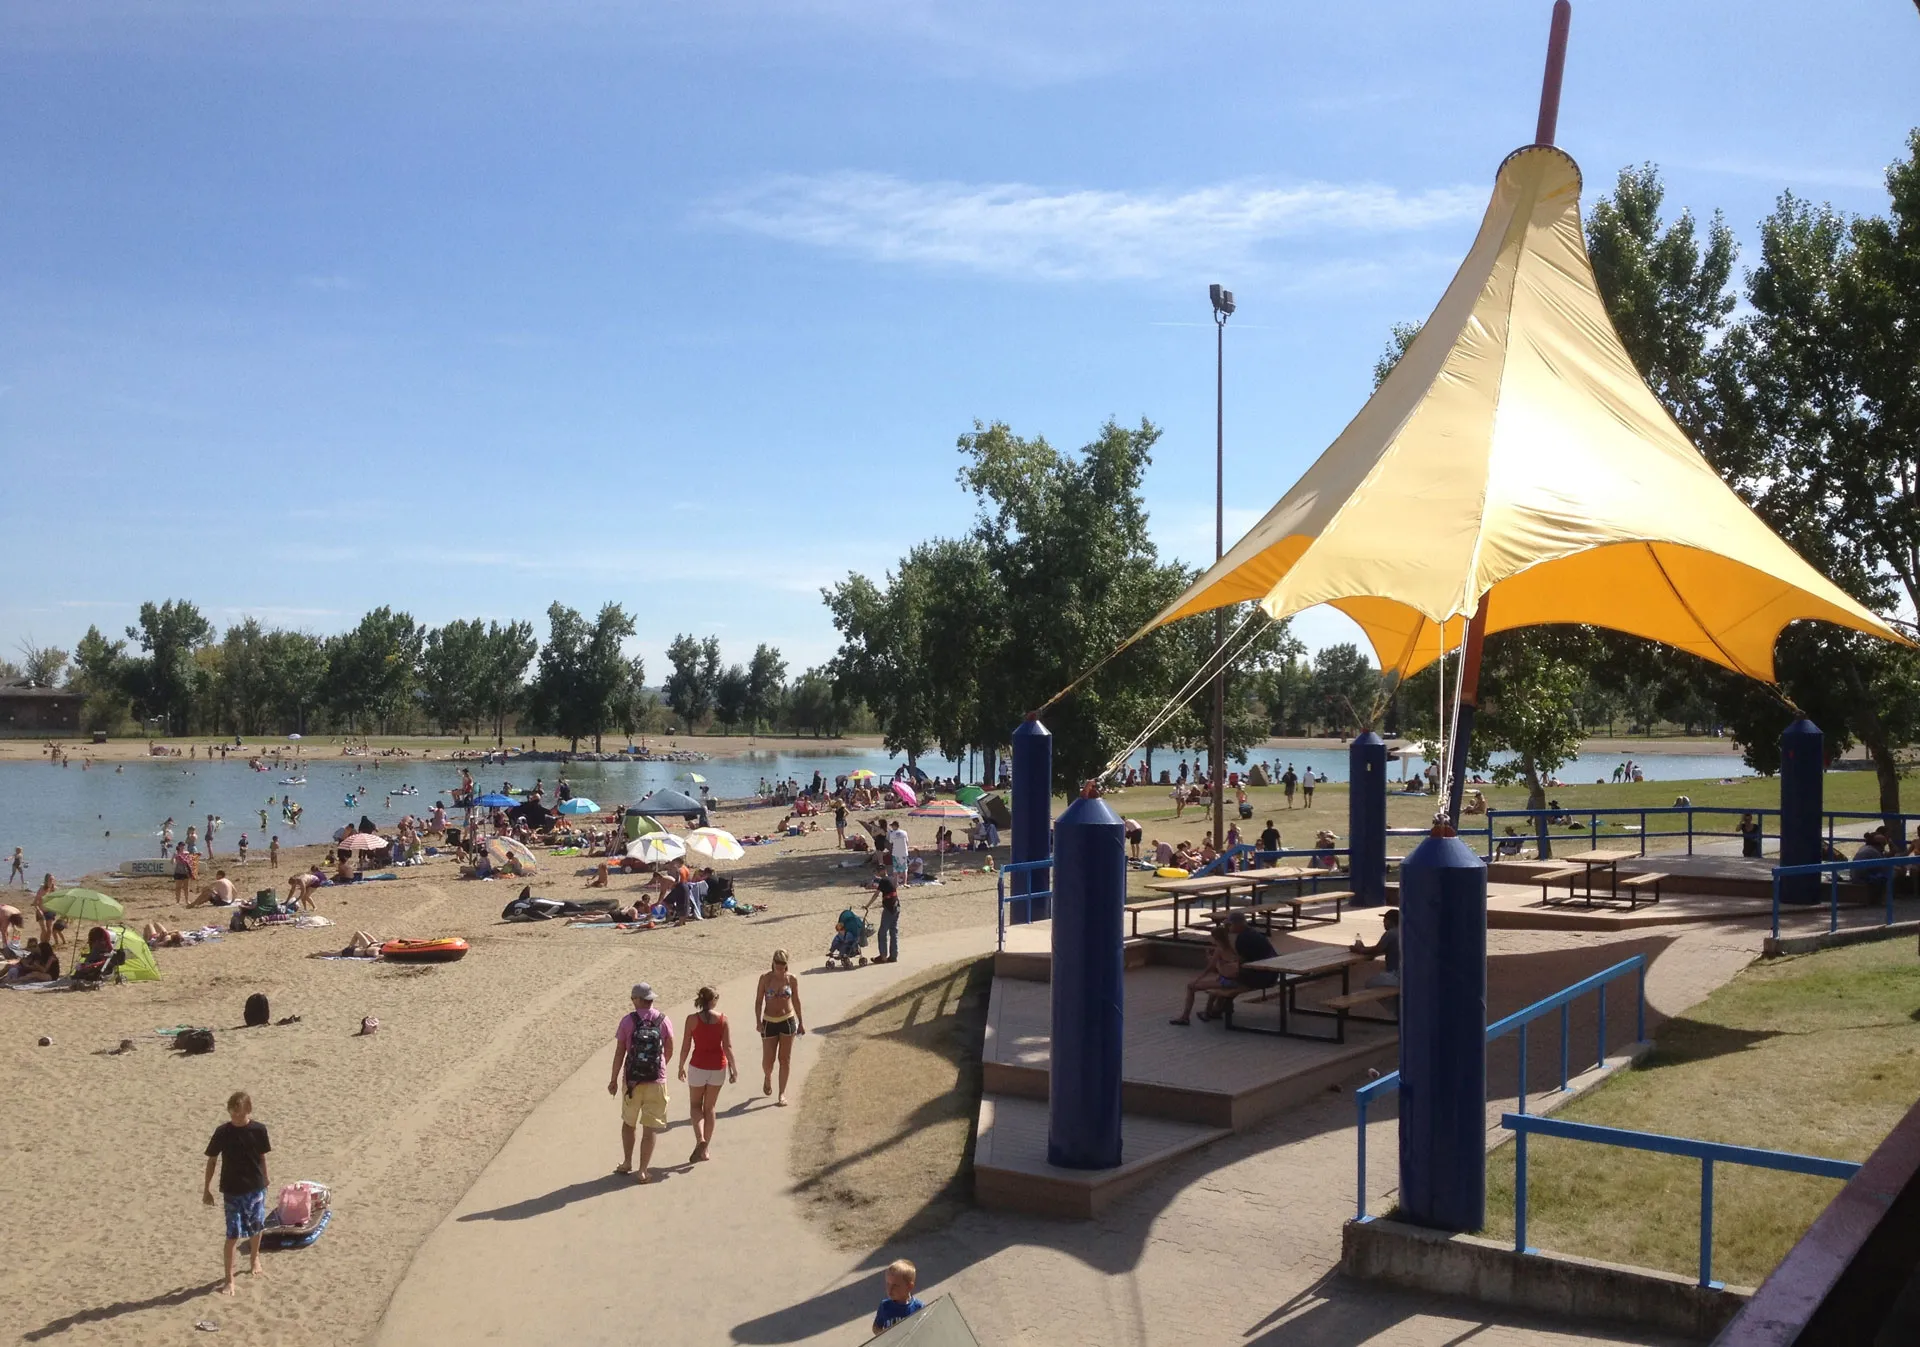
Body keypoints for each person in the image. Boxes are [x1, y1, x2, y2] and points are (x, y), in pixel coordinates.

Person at [202, 1090, 271, 1296]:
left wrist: (266, 1178)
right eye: (232, 1114)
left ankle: (254, 1257)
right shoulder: (222, 1132)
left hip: (255, 1187)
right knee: (232, 1235)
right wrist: (207, 1189)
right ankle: (229, 1280)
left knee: (256, 1226)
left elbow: (262, 1157)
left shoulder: (259, 1130)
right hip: (232, 1189)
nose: (236, 1118)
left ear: (248, 1110)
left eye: (239, 1114)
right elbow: (212, 1160)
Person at [609, 982, 674, 1183]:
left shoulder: (628, 1021)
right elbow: (670, 1048)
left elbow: (620, 1052)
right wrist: (659, 1066)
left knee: (629, 1123)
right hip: (657, 1080)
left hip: (632, 1081)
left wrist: (613, 1079)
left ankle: (627, 1162)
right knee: (650, 1128)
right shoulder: (663, 1020)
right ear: (651, 999)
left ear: (637, 1000)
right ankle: (643, 1171)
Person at [676, 985, 737, 1163]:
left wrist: (680, 1066)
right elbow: (727, 1047)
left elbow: (686, 1045)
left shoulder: (691, 1020)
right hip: (717, 1067)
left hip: (698, 1066)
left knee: (695, 1106)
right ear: (713, 1000)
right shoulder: (723, 1020)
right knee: (709, 1108)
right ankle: (706, 1149)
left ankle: (700, 1139)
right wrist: (734, 1068)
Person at [755, 949, 805, 1105]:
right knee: (768, 1061)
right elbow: (758, 1001)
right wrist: (758, 1021)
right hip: (769, 1021)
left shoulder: (791, 979)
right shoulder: (765, 979)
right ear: (773, 962)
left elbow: (796, 1000)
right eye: (778, 963)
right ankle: (767, 1076)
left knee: (785, 1059)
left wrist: (801, 1021)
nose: (780, 966)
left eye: (783, 964)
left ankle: (782, 1093)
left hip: (787, 1020)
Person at [1170, 927, 1241, 1026]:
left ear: (1216, 938)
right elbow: (1223, 967)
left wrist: (1198, 979)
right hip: (1235, 979)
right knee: (1213, 986)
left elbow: (1210, 968)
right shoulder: (1232, 948)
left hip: (1227, 982)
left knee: (1191, 987)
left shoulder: (1219, 950)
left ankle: (1185, 1017)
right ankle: (1208, 1012)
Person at [1350, 909, 1401, 990]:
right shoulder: (1404, 931)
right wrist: (1364, 948)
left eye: (1384, 921)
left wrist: (1360, 950)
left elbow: (1376, 950)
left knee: (1370, 983)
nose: (1383, 924)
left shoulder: (1391, 933)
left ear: (1389, 921)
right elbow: (1380, 948)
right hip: (1405, 973)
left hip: (1396, 974)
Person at [872, 1259, 925, 1335]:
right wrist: (884, 1335)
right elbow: (876, 1327)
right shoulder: (885, 1306)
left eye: (895, 1286)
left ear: (909, 1287)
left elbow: (924, 1330)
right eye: (888, 1284)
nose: (890, 1289)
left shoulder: (919, 1307)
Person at [867, 873, 901, 963]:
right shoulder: (892, 879)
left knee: (882, 933)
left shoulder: (883, 881)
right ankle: (894, 956)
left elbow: (876, 894)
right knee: (893, 931)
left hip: (889, 908)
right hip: (897, 906)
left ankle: (883, 956)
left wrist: (867, 905)